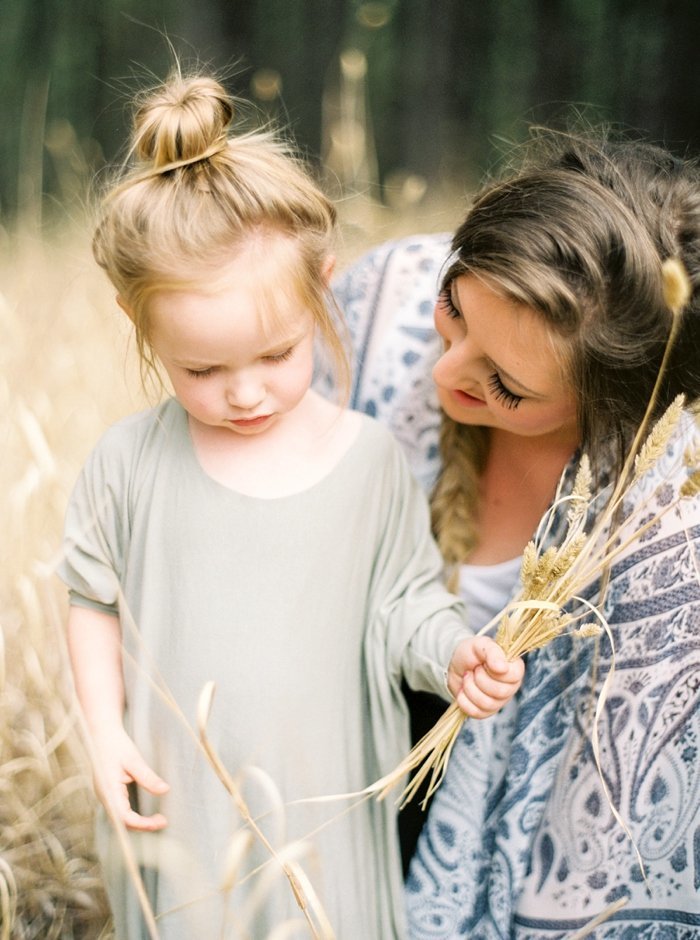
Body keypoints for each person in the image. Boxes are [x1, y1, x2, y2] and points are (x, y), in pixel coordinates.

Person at [57, 71, 525, 939]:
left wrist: (456, 654)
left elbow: (402, 607)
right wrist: (104, 733)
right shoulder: (128, 462)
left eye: (275, 353)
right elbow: (93, 601)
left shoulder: (367, 462)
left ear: (323, 283)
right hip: (184, 806)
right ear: (136, 320)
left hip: (325, 820)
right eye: (202, 370)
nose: (244, 394)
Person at [330, 134, 700, 936]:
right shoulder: (378, 305)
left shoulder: (664, 523)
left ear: (615, 406)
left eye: (503, 385)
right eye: (453, 309)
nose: (442, 371)